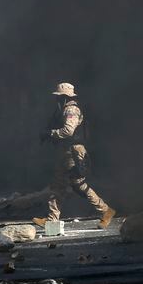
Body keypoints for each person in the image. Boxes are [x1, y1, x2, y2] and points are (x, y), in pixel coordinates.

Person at [33, 82, 116, 229]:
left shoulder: (71, 109)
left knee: (67, 185)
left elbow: (68, 131)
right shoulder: (65, 109)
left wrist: (50, 133)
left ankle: (104, 211)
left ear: (65, 97)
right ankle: (104, 211)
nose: (56, 100)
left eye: (59, 97)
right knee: (70, 185)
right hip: (69, 151)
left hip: (72, 152)